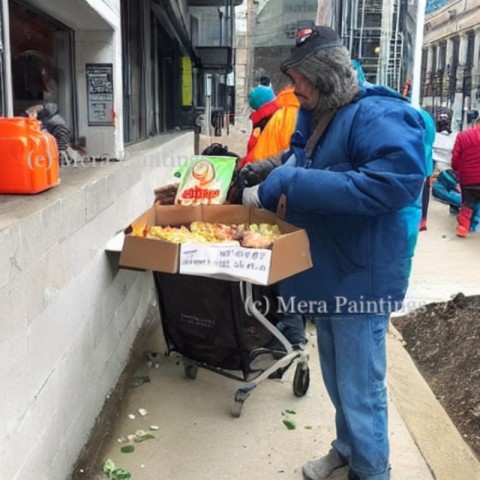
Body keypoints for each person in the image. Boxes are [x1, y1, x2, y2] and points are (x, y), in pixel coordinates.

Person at [242, 25, 426, 480]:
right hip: (327, 270)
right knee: (338, 381)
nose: (293, 88)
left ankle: (371, 471)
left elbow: (395, 183)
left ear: (323, 77)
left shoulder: (377, 114)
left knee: (361, 387)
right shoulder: (319, 112)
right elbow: (296, 159)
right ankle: (347, 449)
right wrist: (256, 171)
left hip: (361, 279)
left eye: (300, 78)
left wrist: (292, 183)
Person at [451, 117, 480, 237]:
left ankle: (463, 229)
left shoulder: (463, 136)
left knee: (467, 204)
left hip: (468, 178)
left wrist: (457, 170)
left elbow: (456, 158)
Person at [417, 108, 436, 231]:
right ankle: (423, 218)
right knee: (425, 188)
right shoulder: (428, 118)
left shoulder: (407, 114)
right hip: (426, 159)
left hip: (413, 160)